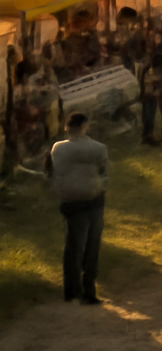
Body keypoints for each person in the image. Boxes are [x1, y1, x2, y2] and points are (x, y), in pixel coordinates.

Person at [46, 112, 108, 303]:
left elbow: (52, 173)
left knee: (73, 247)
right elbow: (104, 174)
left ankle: (71, 290)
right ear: (84, 126)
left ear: (68, 128)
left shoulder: (57, 148)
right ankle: (89, 290)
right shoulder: (98, 148)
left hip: (70, 203)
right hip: (93, 201)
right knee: (92, 248)